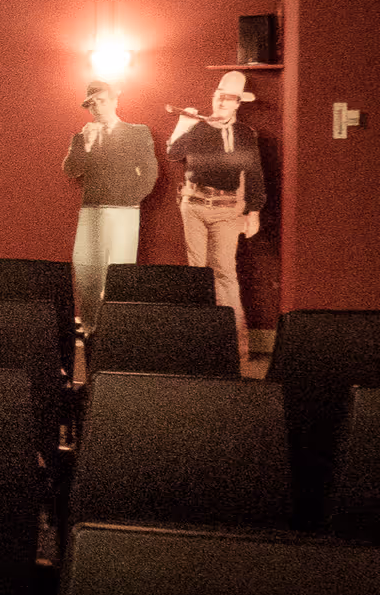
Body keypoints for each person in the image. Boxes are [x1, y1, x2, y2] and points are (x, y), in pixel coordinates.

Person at [166, 70, 266, 371]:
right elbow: (173, 154)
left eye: (230, 99)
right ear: (214, 98)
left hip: (227, 209)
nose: (223, 102)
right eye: (220, 96)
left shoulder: (245, 134)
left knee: (225, 274)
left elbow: (255, 174)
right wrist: (188, 124)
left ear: (238, 104)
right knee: (198, 273)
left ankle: (236, 349)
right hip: (194, 205)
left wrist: (254, 211)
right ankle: (200, 346)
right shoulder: (198, 127)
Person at [63, 80, 158, 330]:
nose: (97, 107)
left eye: (102, 101)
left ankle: (116, 326)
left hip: (124, 210)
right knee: (85, 269)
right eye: (92, 103)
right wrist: (86, 144)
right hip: (91, 209)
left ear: (115, 101)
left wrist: (131, 199)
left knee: (119, 269)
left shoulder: (137, 132)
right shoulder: (81, 136)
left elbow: (150, 171)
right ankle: (90, 325)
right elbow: (72, 170)